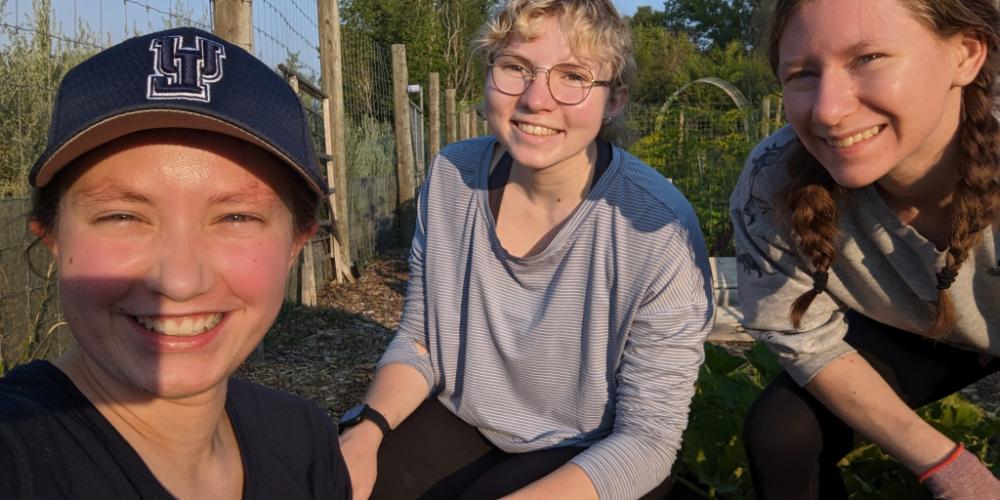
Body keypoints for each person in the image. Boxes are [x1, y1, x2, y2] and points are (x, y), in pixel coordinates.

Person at [336, 1, 715, 499]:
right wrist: (366, 430)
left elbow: (648, 439)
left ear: (615, 100)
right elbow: (423, 338)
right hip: (464, 418)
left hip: (589, 448)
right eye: (516, 67)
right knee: (337, 475)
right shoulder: (453, 176)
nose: (537, 99)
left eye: (573, 76)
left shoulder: (657, 227)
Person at [0, 27, 351, 499]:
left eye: (236, 216)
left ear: (296, 243)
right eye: (122, 216)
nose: (180, 282)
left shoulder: (307, 443)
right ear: (53, 239)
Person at [730, 0, 1000, 498]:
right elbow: (805, 336)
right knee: (783, 432)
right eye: (802, 73)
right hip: (910, 325)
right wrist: (951, 469)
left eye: (869, 58)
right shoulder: (774, 180)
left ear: (965, 54)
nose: (829, 111)